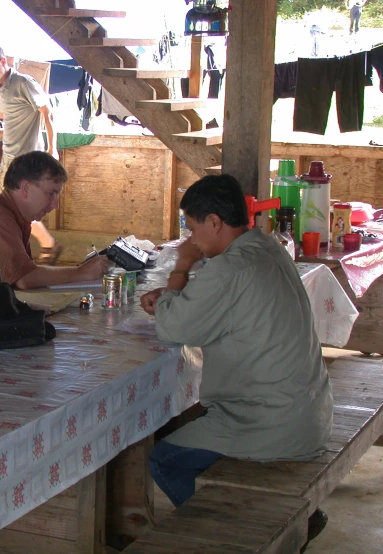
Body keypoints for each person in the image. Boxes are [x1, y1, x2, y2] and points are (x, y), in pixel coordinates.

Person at [139, 174, 333, 538]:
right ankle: (294, 521)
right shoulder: (265, 247)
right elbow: (216, 303)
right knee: (194, 427)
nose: (191, 239)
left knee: (165, 460)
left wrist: (182, 267)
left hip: (271, 422)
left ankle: (241, 537)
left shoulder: (229, 269)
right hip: (308, 409)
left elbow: (173, 328)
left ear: (214, 222)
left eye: (192, 228)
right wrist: (174, 293)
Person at [0, 151, 109, 289]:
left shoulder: (17, 216)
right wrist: (82, 272)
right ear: (25, 188)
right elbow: (24, 279)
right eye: (51, 193)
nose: (55, 204)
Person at [0, 45, 62, 266]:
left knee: (14, 209)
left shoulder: (24, 83)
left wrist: (52, 148)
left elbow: (47, 111)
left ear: (3, 61)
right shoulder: (1, 87)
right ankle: (30, 250)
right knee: (4, 206)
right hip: (9, 157)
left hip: (25, 160)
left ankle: (32, 250)